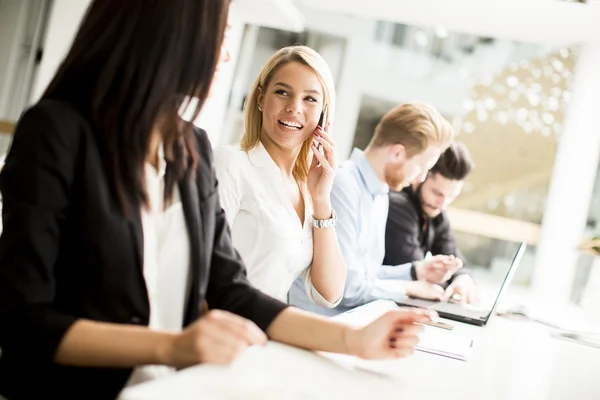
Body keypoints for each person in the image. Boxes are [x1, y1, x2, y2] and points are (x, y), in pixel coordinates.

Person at [0, 1, 436, 398]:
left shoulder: (190, 146)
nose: (227, 53)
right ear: (174, 31)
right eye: (224, 32)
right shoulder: (57, 131)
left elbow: (231, 289)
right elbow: (23, 319)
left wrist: (353, 342)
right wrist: (175, 346)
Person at [290, 102, 454, 316]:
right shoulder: (342, 185)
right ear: (397, 153)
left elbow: (365, 275)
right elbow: (347, 289)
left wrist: (415, 271)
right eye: (421, 167)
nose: (421, 178)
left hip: (348, 322)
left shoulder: (380, 193)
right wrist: (409, 288)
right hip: (316, 324)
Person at [213, 45, 345, 307]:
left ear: (323, 115)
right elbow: (201, 270)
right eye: (283, 92)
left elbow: (329, 294)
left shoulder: (309, 189)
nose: (294, 108)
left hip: (266, 334)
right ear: (261, 99)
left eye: (310, 99)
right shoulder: (230, 164)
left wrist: (322, 201)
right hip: (224, 328)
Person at [384, 142, 477, 303]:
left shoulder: (435, 211)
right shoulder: (397, 205)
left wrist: (462, 278)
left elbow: (453, 256)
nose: (442, 203)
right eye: (437, 193)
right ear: (421, 176)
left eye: (451, 197)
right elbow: (421, 273)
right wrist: (452, 282)